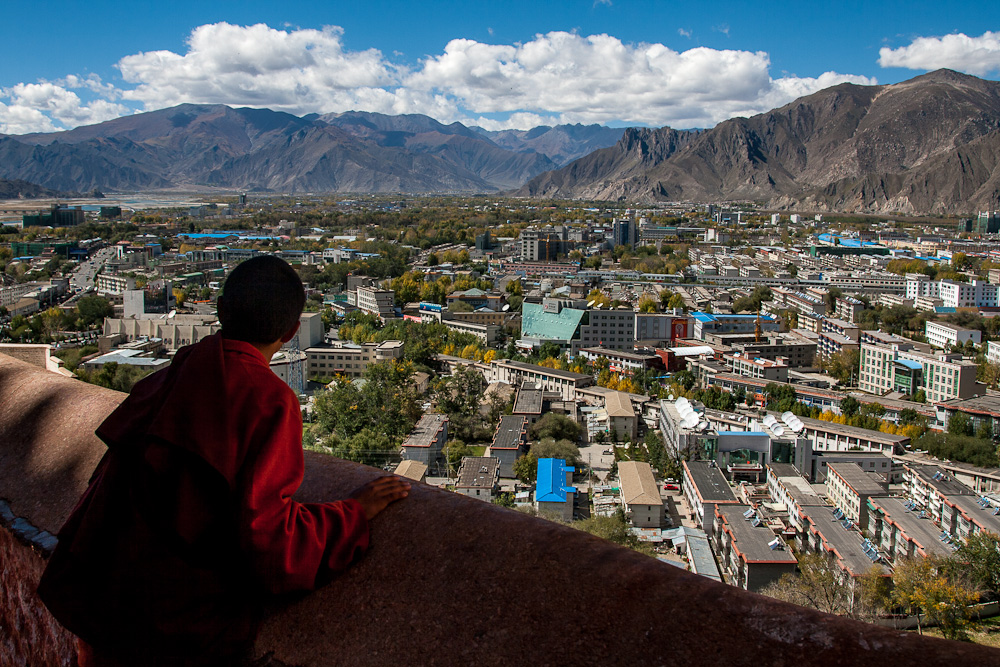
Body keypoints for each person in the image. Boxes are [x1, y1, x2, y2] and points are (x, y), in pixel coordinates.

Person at [39, 255, 410, 666]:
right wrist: (352, 513)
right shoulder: (266, 399)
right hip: (170, 630)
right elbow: (269, 543)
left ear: (220, 312)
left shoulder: (174, 373)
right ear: (290, 332)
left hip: (101, 601)